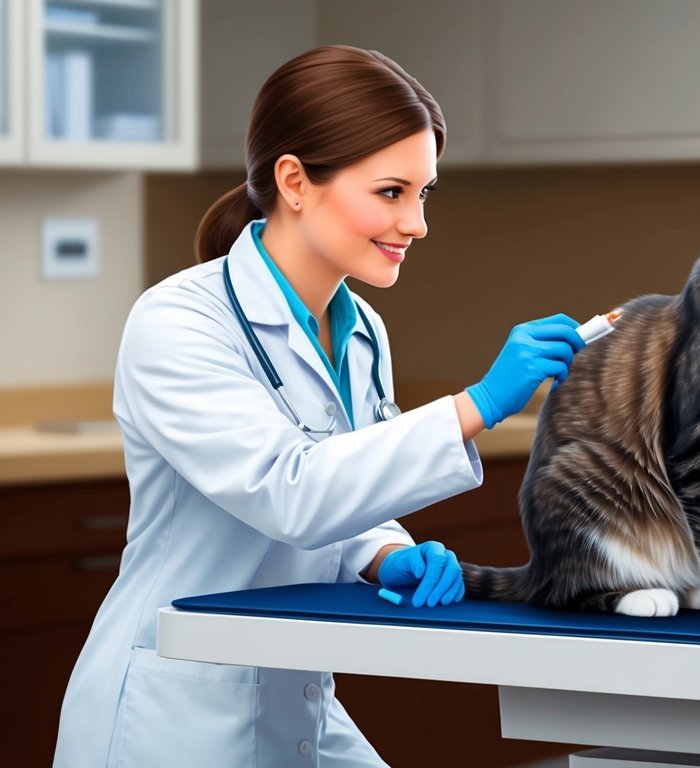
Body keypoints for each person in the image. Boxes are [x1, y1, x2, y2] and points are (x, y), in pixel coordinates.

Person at [53, 45, 585, 766]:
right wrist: (480, 405)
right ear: (295, 181)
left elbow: (345, 485)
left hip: (292, 690)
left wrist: (384, 552)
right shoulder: (176, 321)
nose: (417, 224)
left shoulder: (360, 329)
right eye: (392, 192)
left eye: (423, 194)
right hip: (175, 707)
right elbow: (288, 493)